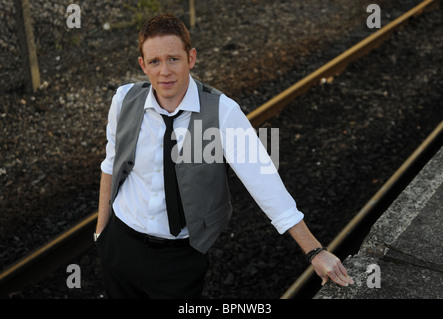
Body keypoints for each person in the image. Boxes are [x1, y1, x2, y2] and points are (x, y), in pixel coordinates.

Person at [95, 13, 353, 299]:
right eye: (154, 61)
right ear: (143, 65)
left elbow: (264, 181)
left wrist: (314, 251)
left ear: (191, 58)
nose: (164, 71)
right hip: (120, 245)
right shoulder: (123, 100)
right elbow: (110, 164)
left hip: (178, 260)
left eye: (173, 59)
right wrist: (101, 235)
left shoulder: (223, 112)